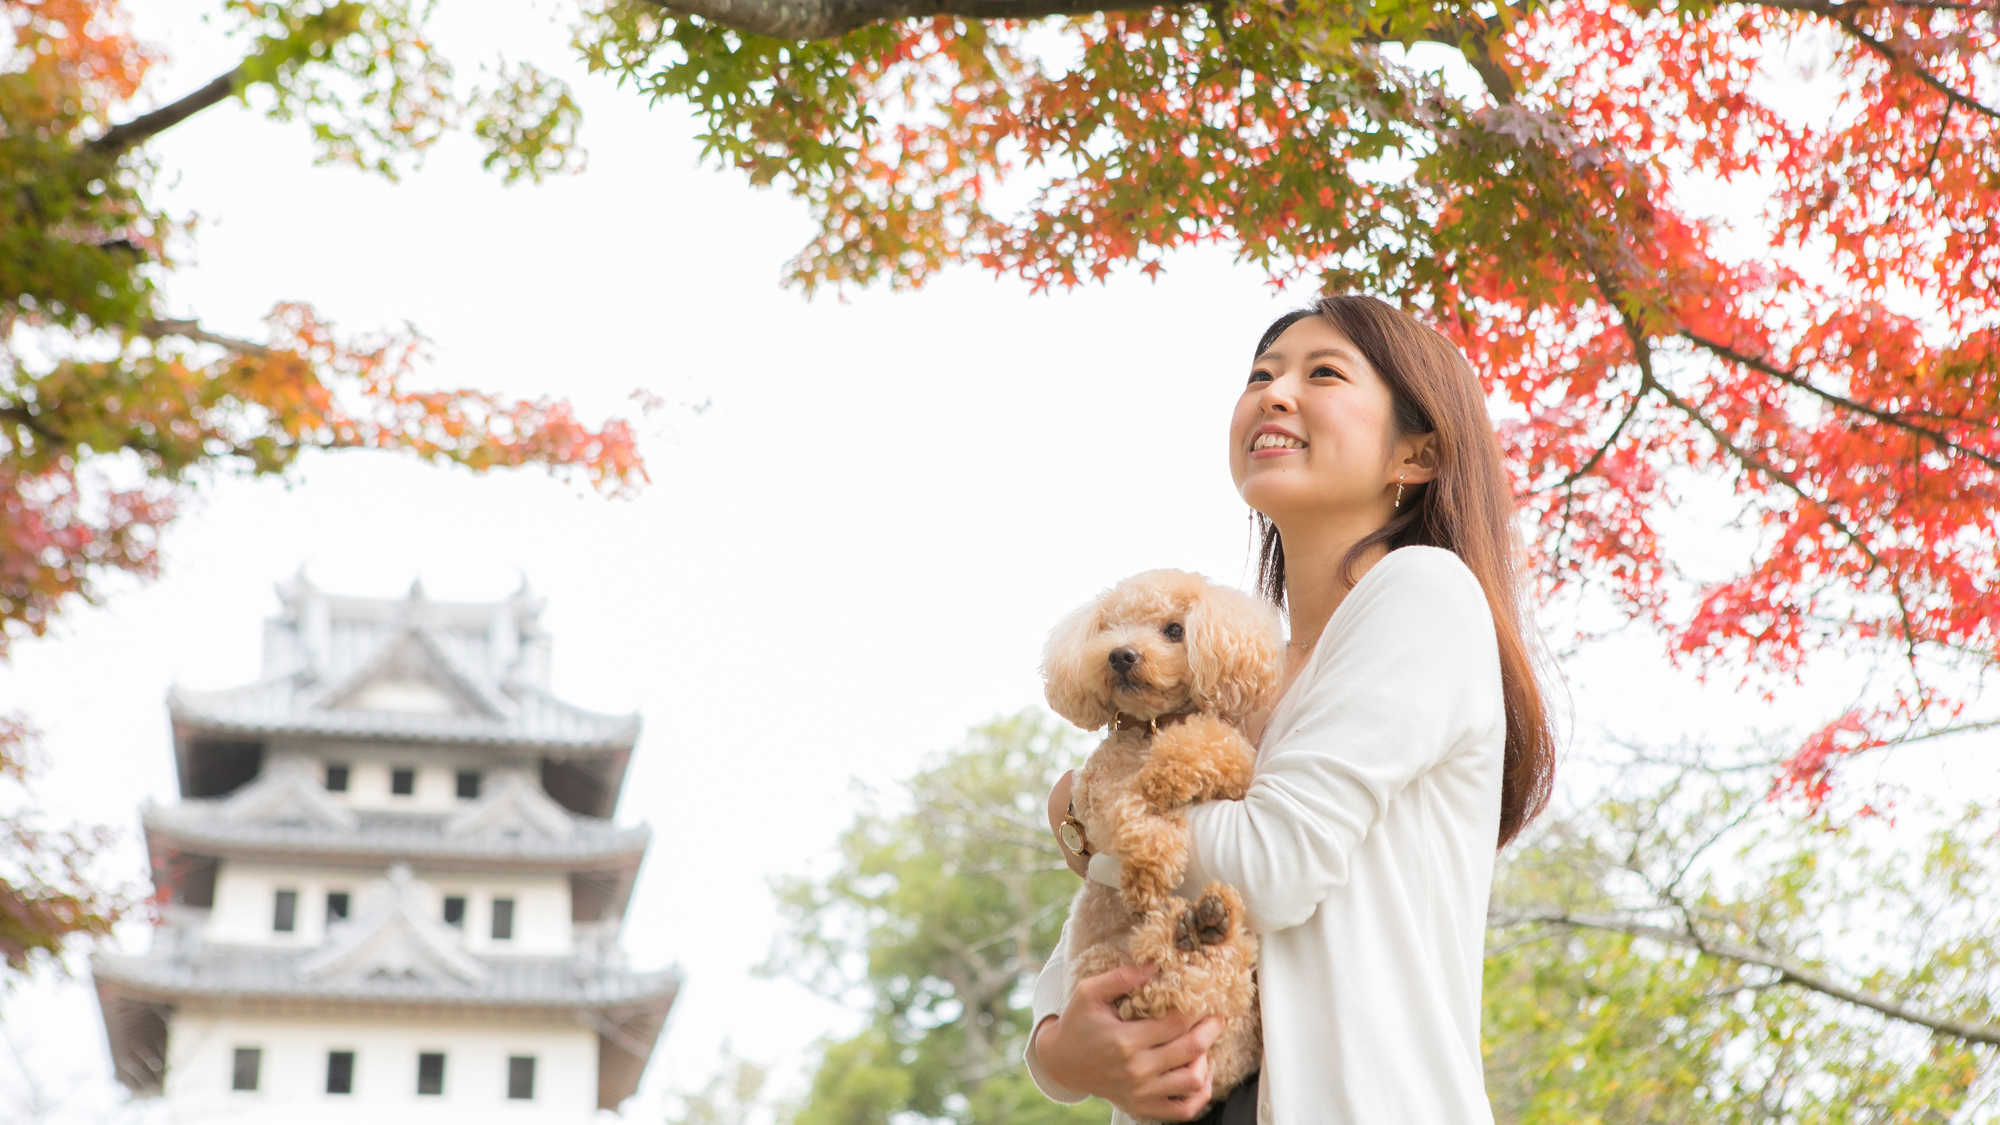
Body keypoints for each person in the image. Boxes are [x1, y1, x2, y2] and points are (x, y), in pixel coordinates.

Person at [1023, 295, 1559, 1124]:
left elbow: (1272, 863)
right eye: (1260, 375)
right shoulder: (1233, 679)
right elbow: (1100, 939)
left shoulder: (1422, 593)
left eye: (1323, 373)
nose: (1273, 393)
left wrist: (1085, 819)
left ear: (1415, 455)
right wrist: (1061, 1052)